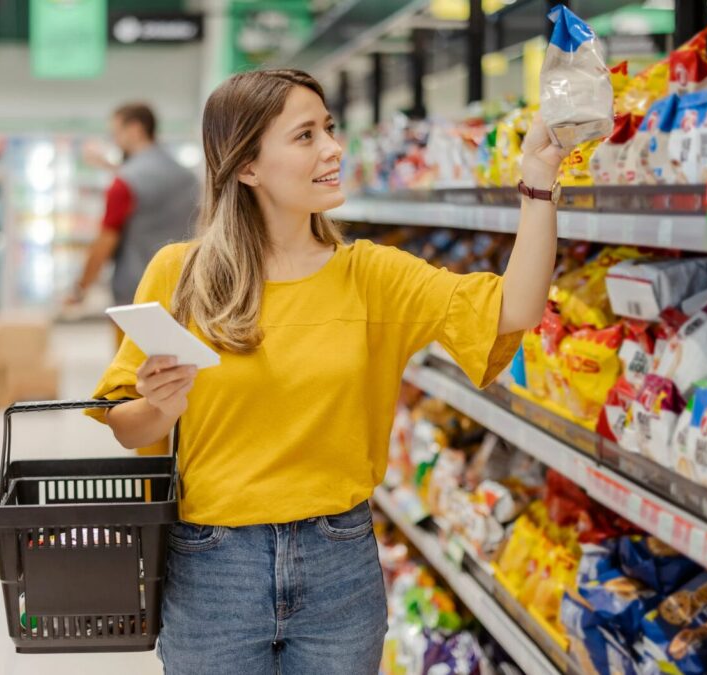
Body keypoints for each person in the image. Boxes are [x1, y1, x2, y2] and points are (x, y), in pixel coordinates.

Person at [86, 69, 563, 673]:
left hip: (339, 566)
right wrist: (160, 405)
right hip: (213, 569)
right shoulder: (184, 273)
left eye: (329, 130)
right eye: (306, 136)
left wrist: (539, 184)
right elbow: (125, 426)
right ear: (248, 166)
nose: (334, 148)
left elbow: (513, 310)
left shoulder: (371, 276)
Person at [70, 102, 200, 324]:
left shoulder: (124, 183)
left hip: (135, 295)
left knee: (132, 359)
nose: (114, 139)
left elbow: (105, 241)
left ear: (135, 130)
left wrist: (81, 288)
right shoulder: (187, 178)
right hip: (183, 289)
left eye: (116, 132)